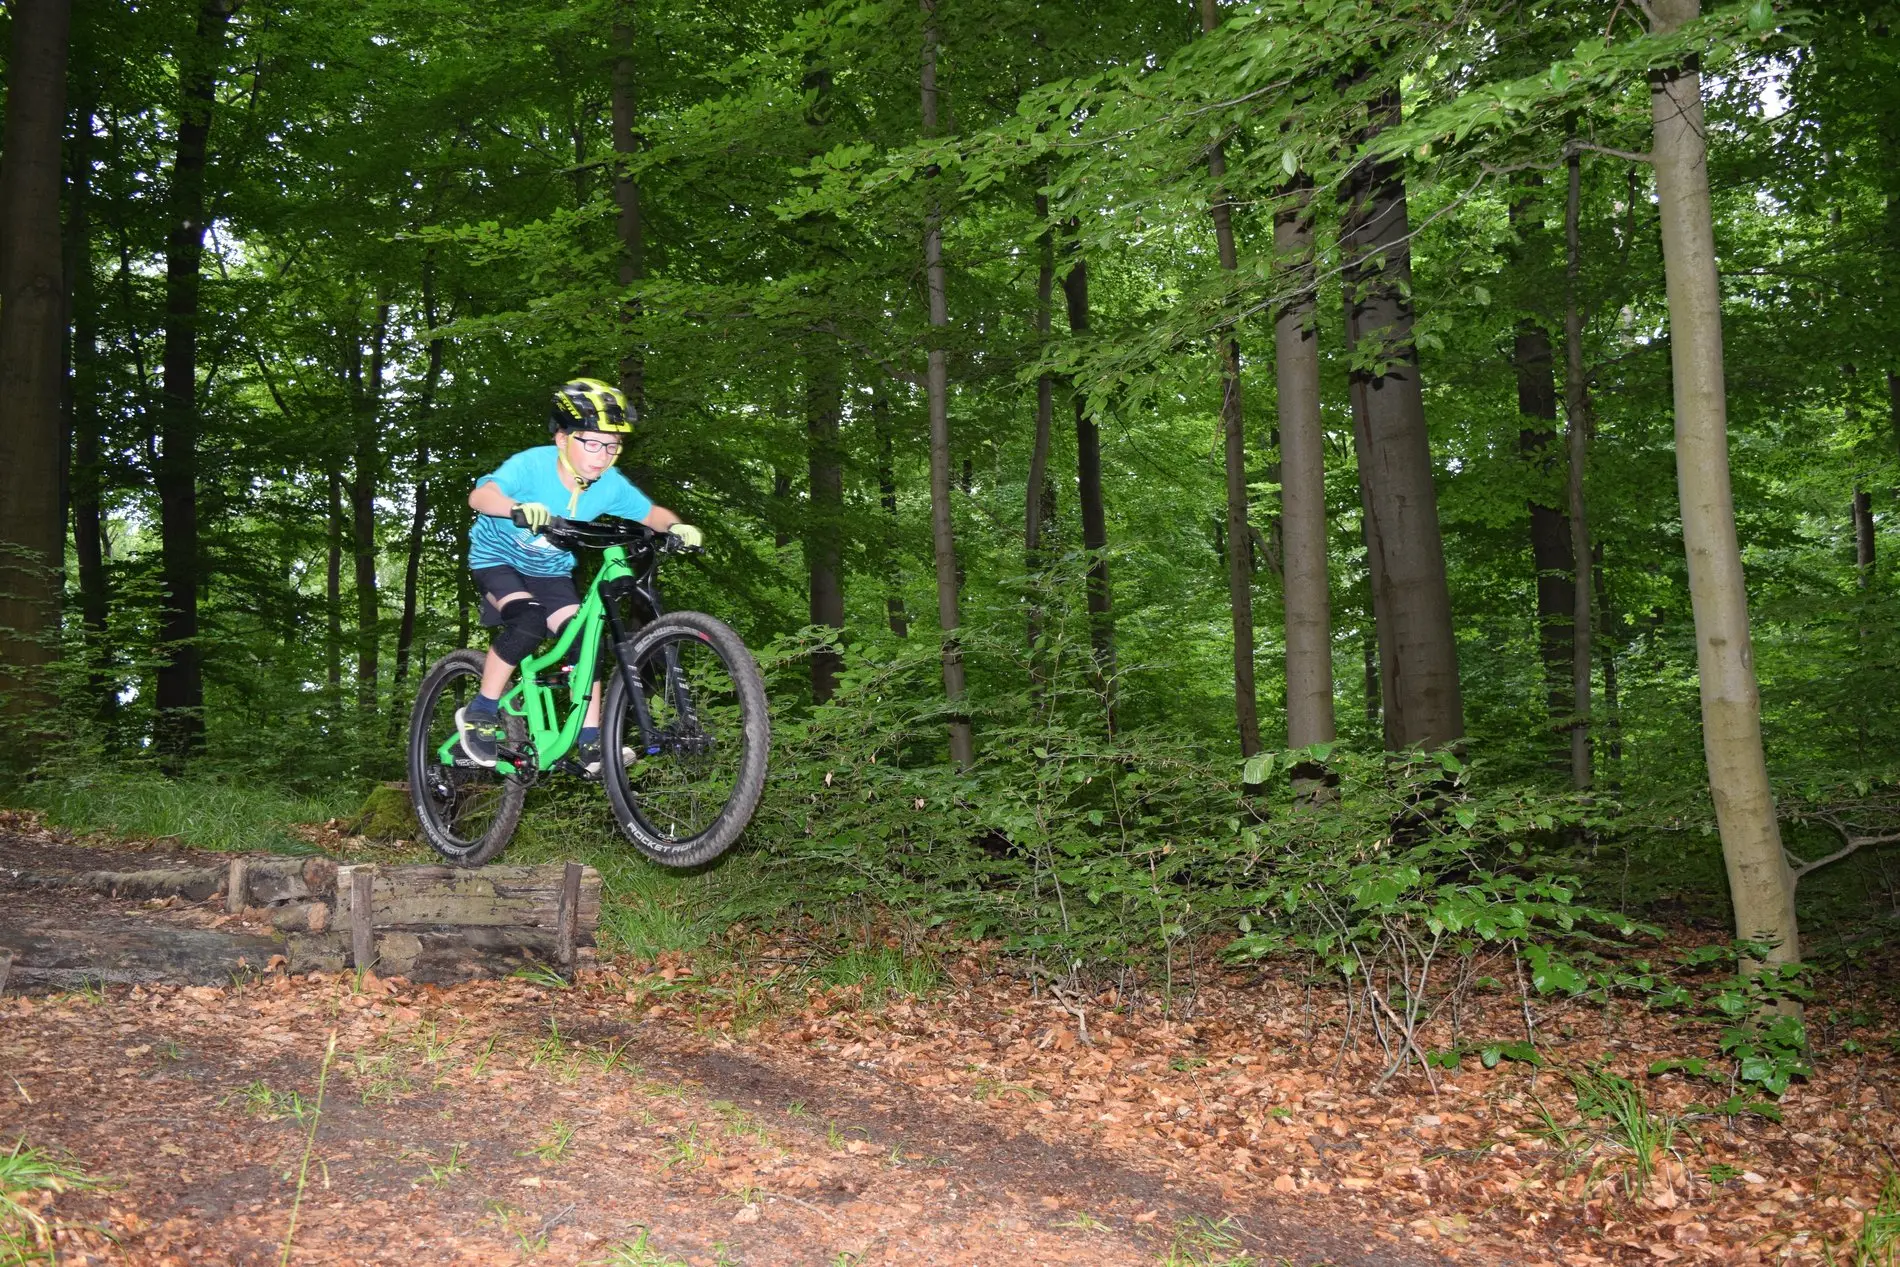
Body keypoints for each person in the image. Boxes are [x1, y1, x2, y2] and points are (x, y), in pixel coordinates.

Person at [457, 377, 700, 772]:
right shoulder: (531, 465)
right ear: (561, 439)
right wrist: (517, 507)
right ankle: (480, 712)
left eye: (612, 445)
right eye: (592, 442)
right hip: (498, 561)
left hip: (551, 573)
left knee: (587, 640)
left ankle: (590, 741)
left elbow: (651, 514)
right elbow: (480, 496)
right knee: (529, 621)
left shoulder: (608, 485)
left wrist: (675, 527)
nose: (603, 455)